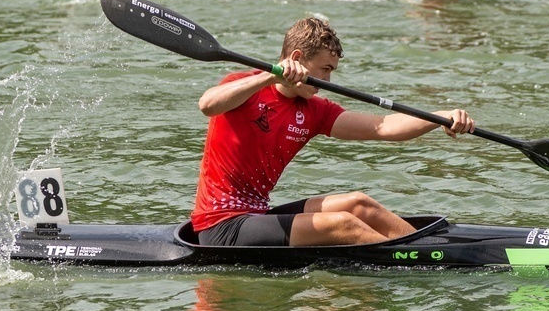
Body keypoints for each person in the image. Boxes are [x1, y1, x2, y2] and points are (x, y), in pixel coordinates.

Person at [190, 18, 476, 247]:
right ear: (297, 58)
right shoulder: (243, 87)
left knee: (359, 204)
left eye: (332, 72)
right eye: (324, 70)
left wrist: (440, 116)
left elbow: (384, 127)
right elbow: (208, 105)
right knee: (344, 224)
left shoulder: (315, 110)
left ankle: (430, 249)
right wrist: (269, 76)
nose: (327, 81)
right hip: (221, 225)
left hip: (258, 215)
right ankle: (414, 263)